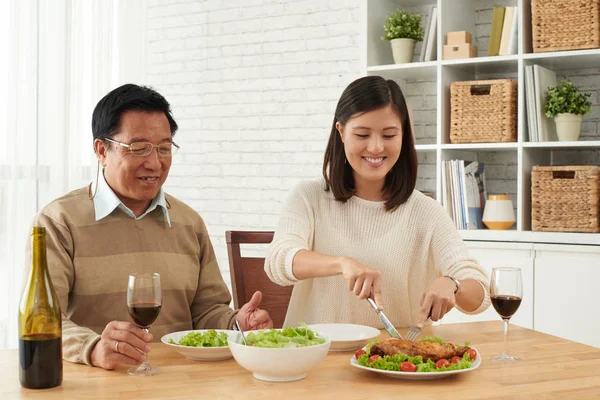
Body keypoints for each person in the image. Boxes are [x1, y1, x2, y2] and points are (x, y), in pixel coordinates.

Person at [25, 84, 272, 370]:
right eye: (139, 148)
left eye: (165, 148)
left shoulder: (189, 223)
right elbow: (41, 317)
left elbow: (207, 312)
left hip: (183, 382)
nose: (155, 163)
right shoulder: (58, 221)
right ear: (102, 150)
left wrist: (237, 323)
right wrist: (92, 348)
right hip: (97, 384)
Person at [264, 75, 490, 330]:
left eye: (389, 135)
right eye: (362, 134)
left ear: (403, 135)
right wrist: (341, 263)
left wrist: (453, 283)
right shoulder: (308, 197)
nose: (375, 147)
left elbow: (479, 292)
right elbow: (278, 261)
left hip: (395, 361)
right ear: (341, 132)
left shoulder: (426, 211)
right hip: (317, 356)